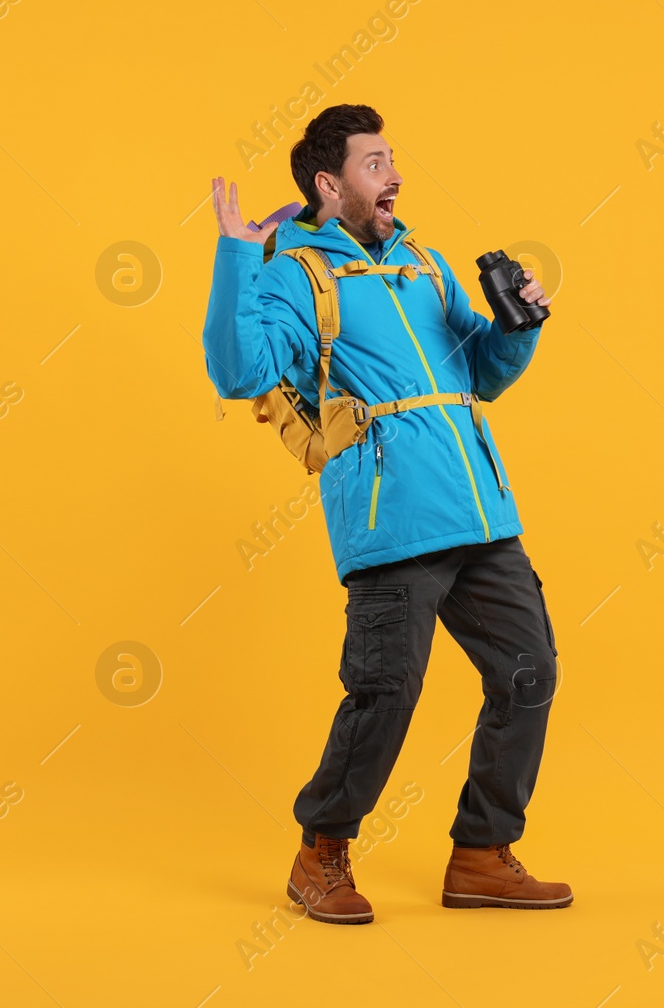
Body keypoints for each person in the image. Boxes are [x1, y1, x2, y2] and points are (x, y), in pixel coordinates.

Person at [202, 103, 570, 924]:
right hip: (390, 516)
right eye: (375, 163)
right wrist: (235, 257)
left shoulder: (425, 265)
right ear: (329, 185)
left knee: (529, 671)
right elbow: (238, 371)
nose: (394, 173)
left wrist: (520, 325)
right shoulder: (296, 274)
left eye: (393, 157)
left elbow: (481, 373)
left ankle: (481, 853)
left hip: (479, 511)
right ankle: (320, 851)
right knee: (385, 689)